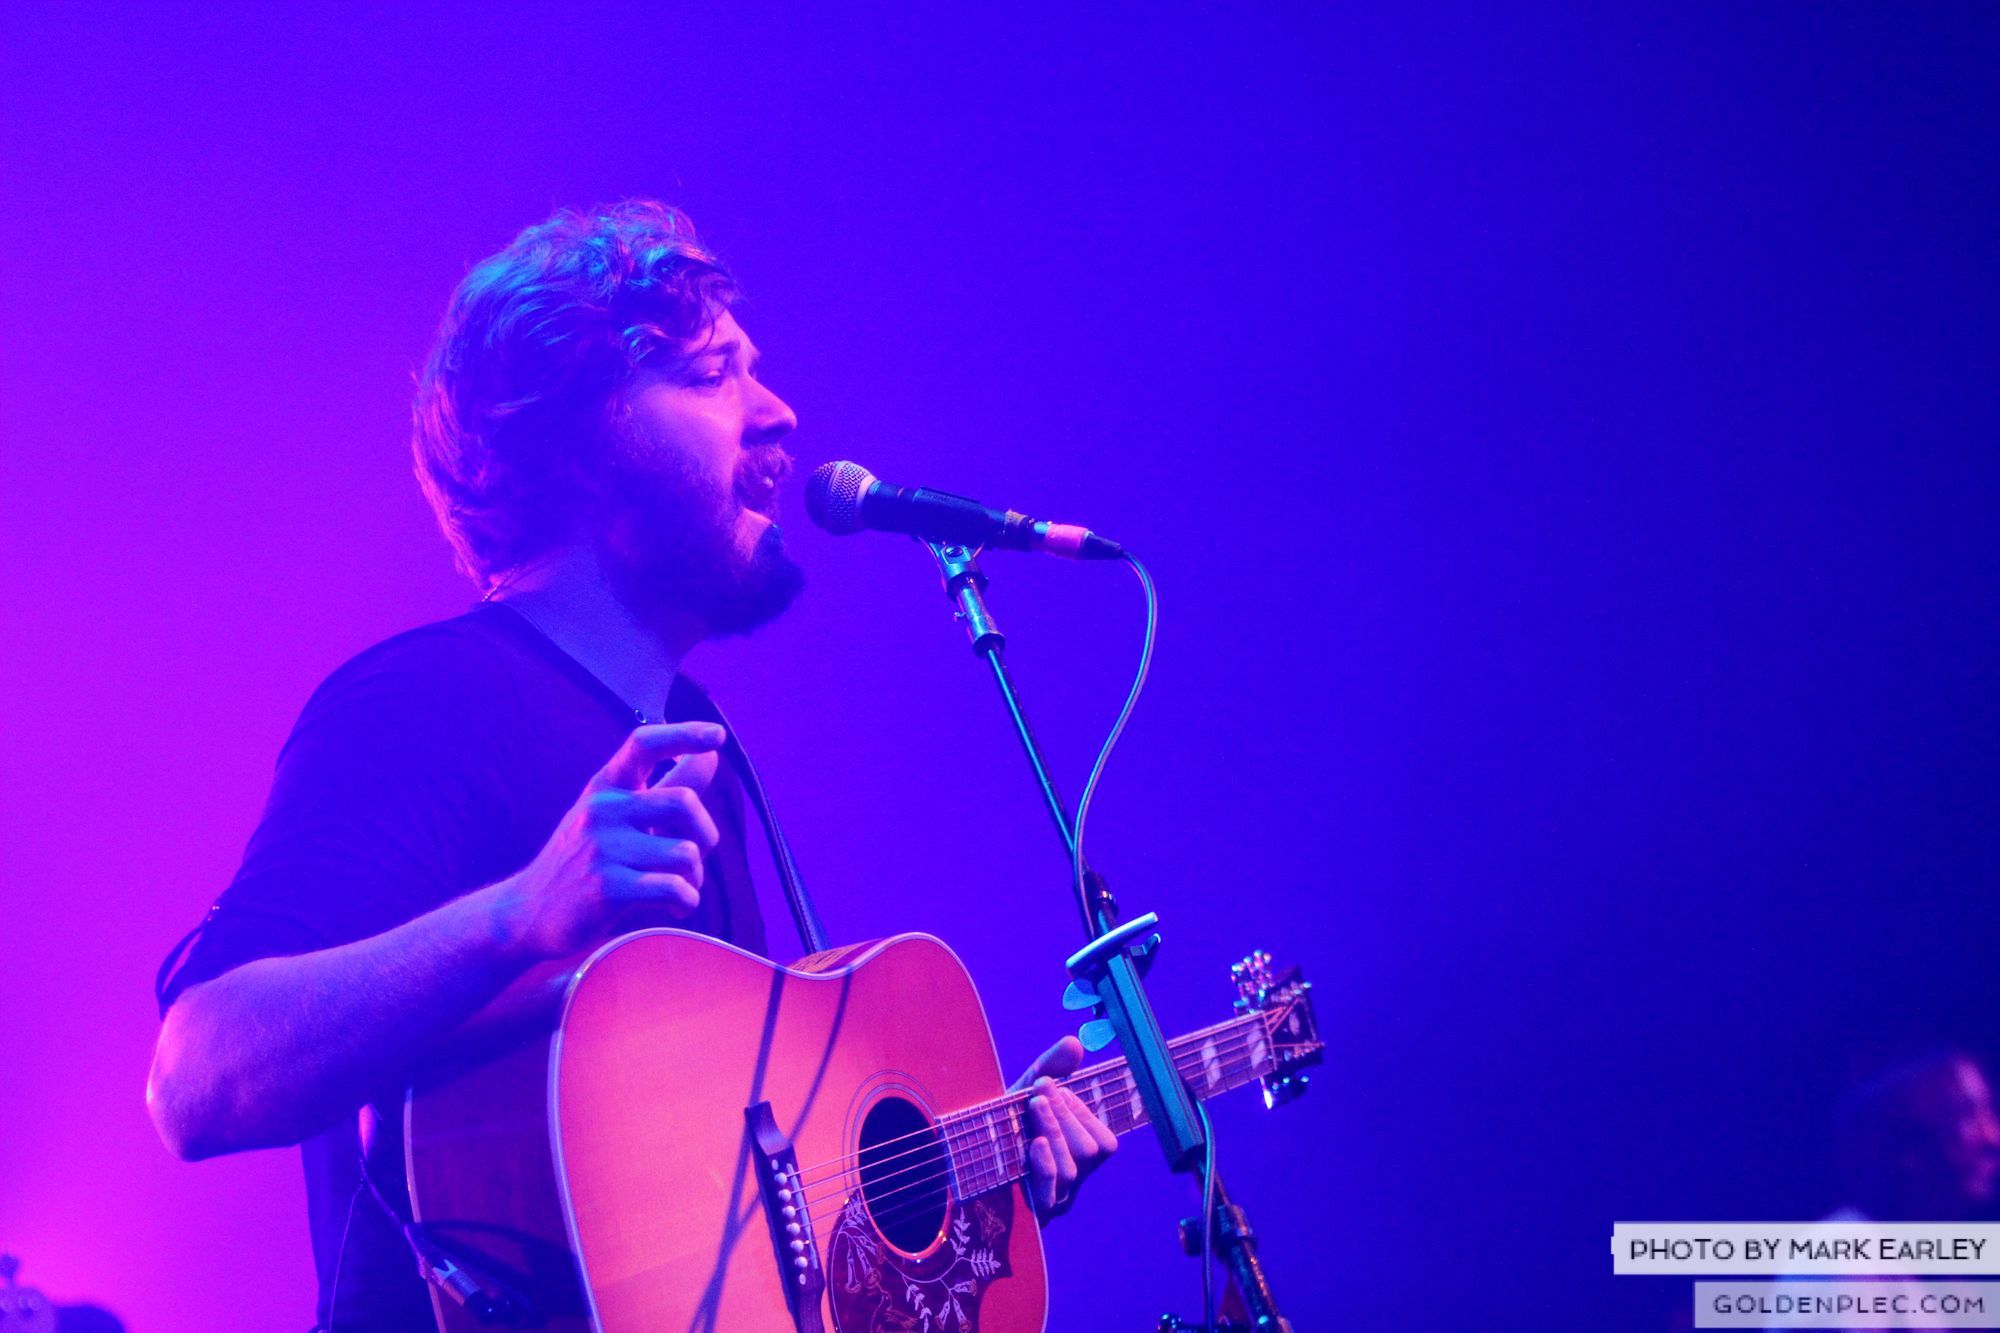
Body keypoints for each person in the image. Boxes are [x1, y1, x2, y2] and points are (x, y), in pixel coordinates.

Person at [145, 201, 1116, 1329]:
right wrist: (518, 913)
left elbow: (742, 1220)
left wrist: (967, 1174)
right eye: (711, 375)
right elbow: (195, 1076)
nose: (778, 412)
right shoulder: (425, 701)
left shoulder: (698, 737)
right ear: (581, 449)